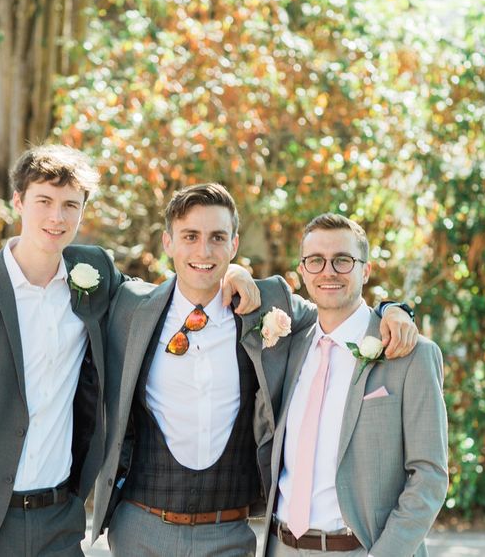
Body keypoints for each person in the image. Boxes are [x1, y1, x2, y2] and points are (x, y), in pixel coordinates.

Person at [0, 145, 257, 557]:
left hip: (60, 520)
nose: (56, 217)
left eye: (70, 205)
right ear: (18, 202)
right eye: (44, 201)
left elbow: (174, 289)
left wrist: (232, 270)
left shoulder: (94, 274)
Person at [91, 185, 419, 557]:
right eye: (190, 237)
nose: (204, 251)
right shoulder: (130, 307)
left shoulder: (269, 306)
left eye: (217, 237)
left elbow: (339, 311)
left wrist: (392, 309)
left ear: (233, 245)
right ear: (168, 242)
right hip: (140, 529)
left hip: (230, 534)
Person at [261, 213, 448, 557]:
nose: (328, 271)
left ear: (365, 269)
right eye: (316, 261)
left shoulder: (410, 354)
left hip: (360, 549)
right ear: (302, 271)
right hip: (279, 546)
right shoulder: (289, 343)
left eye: (343, 260)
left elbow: (430, 475)